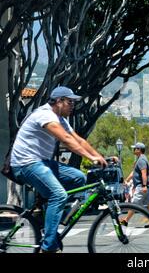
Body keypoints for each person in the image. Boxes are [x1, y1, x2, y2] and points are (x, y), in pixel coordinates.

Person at [11, 86, 107, 253]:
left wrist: (99, 156)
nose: (73, 105)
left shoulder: (61, 119)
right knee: (59, 195)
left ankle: (50, 221)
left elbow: (79, 139)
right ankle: (48, 247)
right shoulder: (46, 115)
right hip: (26, 164)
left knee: (78, 178)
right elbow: (67, 139)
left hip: (42, 163)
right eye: (70, 102)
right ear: (59, 101)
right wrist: (90, 158)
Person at [121, 142, 149, 224]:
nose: (134, 150)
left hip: (141, 186)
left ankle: (126, 220)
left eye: (135, 148)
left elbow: (144, 173)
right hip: (143, 186)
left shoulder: (142, 160)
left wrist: (144, 185)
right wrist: (127, 180)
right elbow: (134, 172)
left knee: (134, 204)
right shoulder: (140, 159)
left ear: (139, 150)